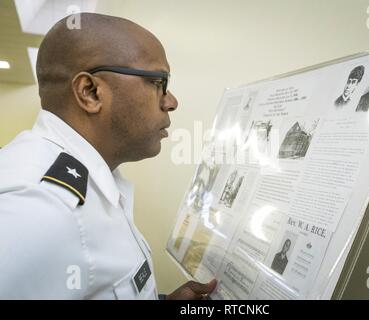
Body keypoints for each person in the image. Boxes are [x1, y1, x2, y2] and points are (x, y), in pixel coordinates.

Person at [0, 13, 216, 299]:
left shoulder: (91, 176)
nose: (171, 101)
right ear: (90, 92)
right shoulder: (38, 209)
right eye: (158, 81)